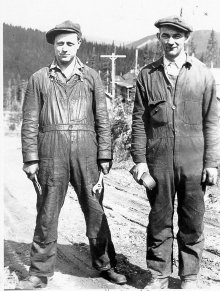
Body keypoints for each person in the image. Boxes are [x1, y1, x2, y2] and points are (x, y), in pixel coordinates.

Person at [17, 20, 127, 289]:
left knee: (95, 210)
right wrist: (30, 157)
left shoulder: (91, 77)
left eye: (69, 43)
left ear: (79, 44)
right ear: (53, 46)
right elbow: (30, 120)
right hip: (50, 152)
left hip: (87, 153)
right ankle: (39, 272)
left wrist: (104, 154)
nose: (64, 48)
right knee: (47, 212)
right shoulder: (40, 78)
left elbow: (102, 118)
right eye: (59, 43)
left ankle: (105, 265)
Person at [131, 15, 219, 289]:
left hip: (194, 162)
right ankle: (158, 276)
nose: (171, 41)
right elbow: (138, 122)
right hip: (158, 162)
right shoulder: (147, 75)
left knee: (192, 220)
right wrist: (140, 162)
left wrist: (212, 163)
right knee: (159, 219)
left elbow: (212, 121)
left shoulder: (202, 74)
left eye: (176, 36)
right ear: (159, 38)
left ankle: (189, 277)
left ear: (186, 39)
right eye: (165, 36)